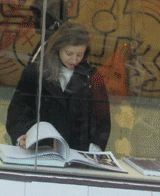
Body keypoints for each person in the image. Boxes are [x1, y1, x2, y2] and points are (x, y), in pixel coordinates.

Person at [6, 21, 111, 152]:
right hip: (39, 149)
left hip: (78, 151)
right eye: (69, 53)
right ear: (58, 48)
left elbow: (103, 118)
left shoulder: (92, 77)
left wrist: (96, 146)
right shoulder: (35, 72)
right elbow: (17, 111)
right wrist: (20, 136)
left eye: (80, 55)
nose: (74, 60)